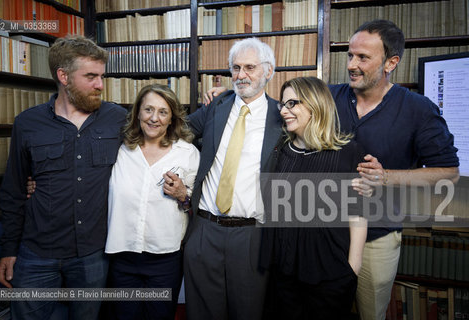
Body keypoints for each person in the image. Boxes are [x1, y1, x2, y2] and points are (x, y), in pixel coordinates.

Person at [203, 20, 459, 320]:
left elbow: (448, 172)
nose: (352, 64)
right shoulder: (330, 97)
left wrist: (386, 177)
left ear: (391, 62)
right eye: (350, 55)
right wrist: (233, 95)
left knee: (365, 311)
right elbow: (282, 111)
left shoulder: (418, 109)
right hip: (313, 242)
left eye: (363, 57)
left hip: (374, 234)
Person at [0, 35, 127, 320]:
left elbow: (165, 133)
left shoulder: (117, 118)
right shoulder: (28, 123)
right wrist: (8, 251)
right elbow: (13, 190)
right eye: (91, 76)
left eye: (101, 76)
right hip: (36, 254)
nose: (100, 85)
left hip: (93, 253)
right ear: (63, 76)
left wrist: (217, 103)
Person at [183, 37, 283, 320]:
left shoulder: (282, 115)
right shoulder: (218, 105)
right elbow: (179, 132)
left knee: (248, 312)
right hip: (205, 229)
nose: (241, 75)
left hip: (252, 235)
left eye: (250, 67)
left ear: (269, 71)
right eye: (236, 68)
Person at [260, 76, 368, 319]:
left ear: (315, 104)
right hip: (284, 275)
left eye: (292, 104)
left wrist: (352, 269)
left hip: (330, 275)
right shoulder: (281, 151)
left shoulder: (349, 153)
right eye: (282, 105)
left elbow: (358, 214)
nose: (284, 111)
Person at [104, 84, 200, 320]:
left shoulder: (187, 153)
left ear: (172, 119)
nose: (154, 118)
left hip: (165, 261)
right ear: (137, 113)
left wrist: (182, 195)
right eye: (148, 110)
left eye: (163, 112)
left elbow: (196, 208)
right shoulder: (119, 150)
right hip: (122, 257)